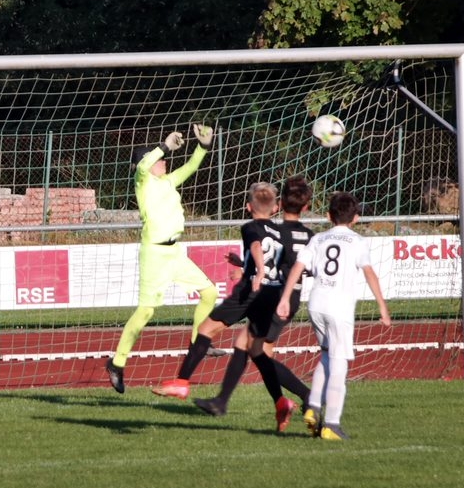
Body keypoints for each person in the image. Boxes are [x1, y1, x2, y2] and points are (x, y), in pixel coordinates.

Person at [151, 182, 299, 426]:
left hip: (250, 292)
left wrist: (257, 270)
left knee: (205, 329)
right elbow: (278, 261)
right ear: (275, 208)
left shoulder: (250, 227)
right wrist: (244, 265)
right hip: (271, 294)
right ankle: (282, 402)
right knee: (256, 352)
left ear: (248, 207)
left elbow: (257, 246)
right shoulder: (281, 232)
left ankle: (182, 383)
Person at [105, 125, 220, 394]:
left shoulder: (167, 181)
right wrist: (164, 146)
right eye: (161, 159)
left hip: (174, 252)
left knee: (210, 292)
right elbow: (144, 166)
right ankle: (117, 363)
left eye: (164, 158)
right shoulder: (142, 181)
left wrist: (203, 146)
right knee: (146, 311)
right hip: (155, 254)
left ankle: (197, 343)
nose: (165, 162)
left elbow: (191, 167)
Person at [193, 176, 315, 429]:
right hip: (290, 297)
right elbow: (305, 268)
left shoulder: (280, 233)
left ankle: (303, 396)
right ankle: (279, 401)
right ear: (306, 206)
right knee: (251, 348)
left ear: (280, 204)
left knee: (255, 350)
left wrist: (252, 271)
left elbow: (276, 266)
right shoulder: (310, 235)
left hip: (279, 297)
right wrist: (245, 265)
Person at [276, 191, 391, 440]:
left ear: (328, 216)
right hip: (339, 307)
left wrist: (285, 298)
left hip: (316, 303)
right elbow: (369, 273)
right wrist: (382, 306)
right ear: (356, 218)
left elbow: (298, 267)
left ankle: (313, 406)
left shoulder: (318, 238)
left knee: (327, 355)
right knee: (340, 364)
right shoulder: (357, 241)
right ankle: (332, 424)